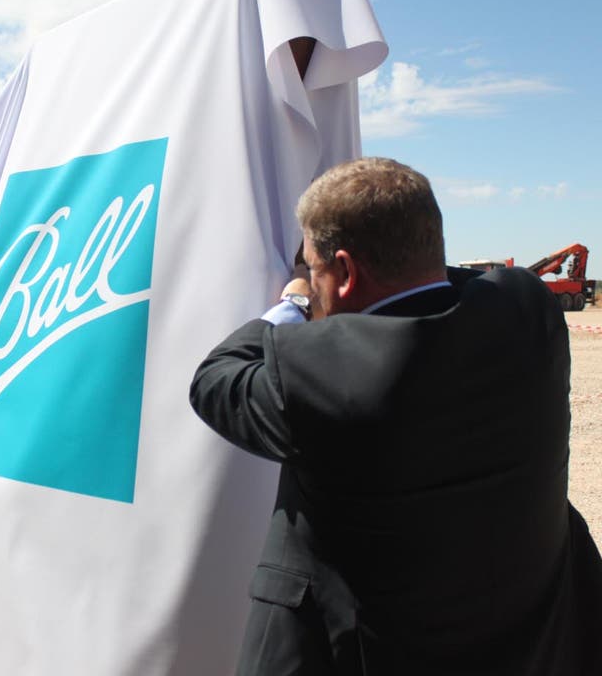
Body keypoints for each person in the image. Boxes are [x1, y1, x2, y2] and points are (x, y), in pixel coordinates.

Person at [189, 158, 602, 676]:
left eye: (315, 269)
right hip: (532, 647)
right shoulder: (527, 313)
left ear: (345, 273)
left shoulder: (326, 371)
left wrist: (295, 302)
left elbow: (216, 379)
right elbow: (469, 281)